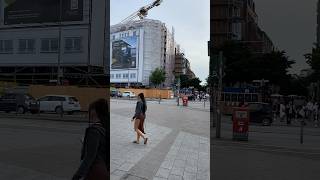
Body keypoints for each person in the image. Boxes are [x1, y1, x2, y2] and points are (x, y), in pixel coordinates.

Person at [72, 99, 108, 180]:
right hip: (103, 168)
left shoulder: (94, 130)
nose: (88, 112)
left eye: (90, 109)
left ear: (94, 112)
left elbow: (90, 156)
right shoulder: (104, 127)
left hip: (95, 171)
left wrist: (77, 175)